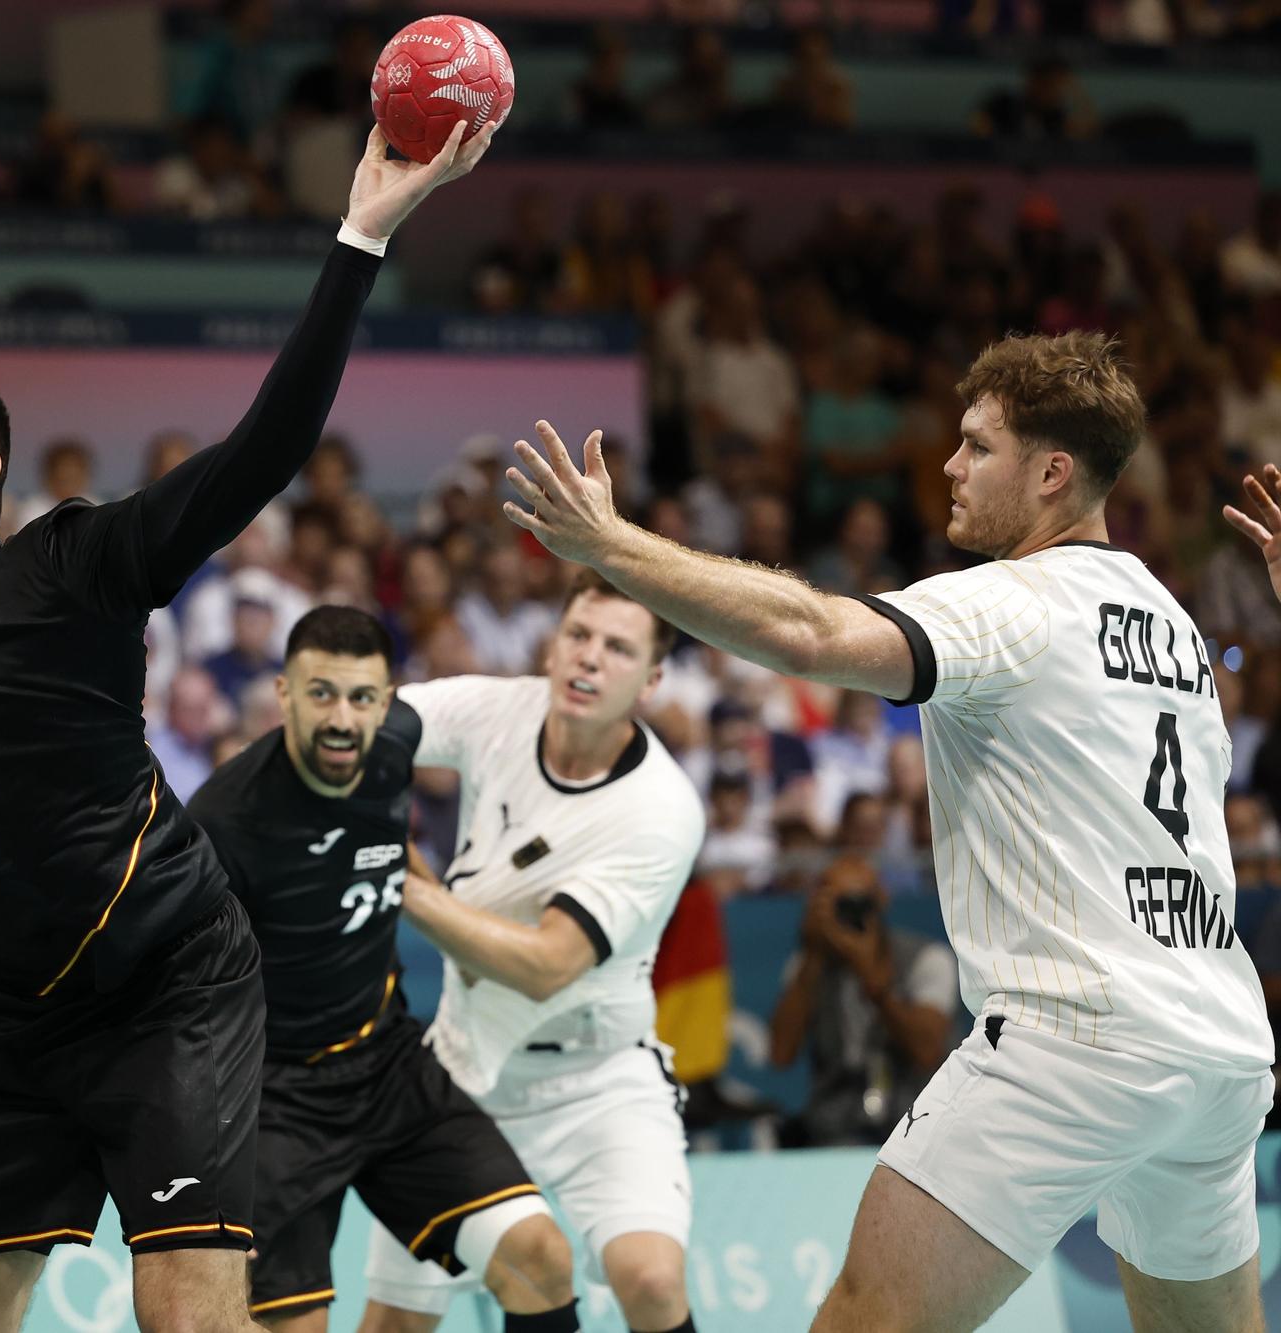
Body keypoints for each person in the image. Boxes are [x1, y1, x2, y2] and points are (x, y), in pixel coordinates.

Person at [0, 124, 492, 1333]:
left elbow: (263, 453)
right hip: (13, 1011)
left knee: (183, 1317)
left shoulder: (74, 561)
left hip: (170, 979)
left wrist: (361, 238)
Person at [502, 331, 1274, 1331]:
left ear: (1050, 473)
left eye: (974, 446)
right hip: (1218, 1048)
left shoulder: (1011, 603)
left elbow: (812, 635)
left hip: (1075, 1035)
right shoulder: (1170, 622)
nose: (946, 466)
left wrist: (612, 548)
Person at [186, 606, 577, 1332]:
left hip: (389, 1063)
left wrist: (426, 896)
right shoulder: (224, 821)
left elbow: (386, 844)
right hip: (274, 1097)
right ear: (285, 693)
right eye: (322, 694)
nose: (343, 718)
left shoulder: (394, 749)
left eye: (363, 698)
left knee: (541, 1256)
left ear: (388, 702)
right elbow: (182, 995)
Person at [361, 569, 705, 1333]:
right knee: (395, 1324)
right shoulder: (499, 709)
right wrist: (362, 794)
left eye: (617, 648)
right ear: (552, 646)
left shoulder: (660, 811)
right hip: (464, 1067)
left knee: (649, 1279)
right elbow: (372, 724)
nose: (588, 658)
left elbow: (545, 964)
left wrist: (397, 876)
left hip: (598, 1079)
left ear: (650, 680)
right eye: (578, 635)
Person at [767, 855, 955, 1147]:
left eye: (859, 902)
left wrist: (874, 982)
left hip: (916, 1124)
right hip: (832, 1129)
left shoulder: (927, 959)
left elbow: (927, 1052)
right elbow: (780, 1055)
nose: (850, 914)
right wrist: (813, 956)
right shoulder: (807, 967)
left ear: (881, 900)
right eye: (839, 904)